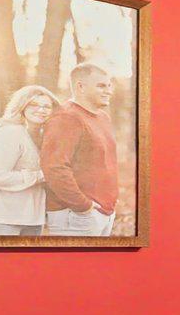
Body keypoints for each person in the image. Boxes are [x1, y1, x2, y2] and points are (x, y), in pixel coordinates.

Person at [0, 84, 59, 236]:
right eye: (33, 104)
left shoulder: (45, 136)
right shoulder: (9, 132)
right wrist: (42, 175)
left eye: (46, 106)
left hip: (29, 218)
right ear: (22, 106)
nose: (41, 109)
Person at [41, 64, 121, 236]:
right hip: (75, 215)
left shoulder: (103, 117)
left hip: (103, 213)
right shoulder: (66, 118)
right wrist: (83, 206)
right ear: (80, 87)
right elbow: (55, 168)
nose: (109, 91)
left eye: (109, 85)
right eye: (101, 86)